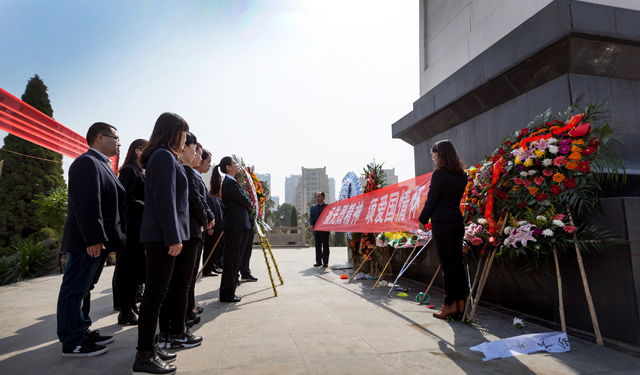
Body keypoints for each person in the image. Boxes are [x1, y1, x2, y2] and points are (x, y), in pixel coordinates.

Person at [56, 122, 126, 357]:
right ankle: (72, 341)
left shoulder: (101, 164)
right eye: (115, 137)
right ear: (99, 137)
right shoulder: (86, 163)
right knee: (74, 290)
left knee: (84, 288)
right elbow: (86, 204)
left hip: (98, 240)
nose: (119, 142)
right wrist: (94, 238)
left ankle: (82, 330)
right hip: (87, 241)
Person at [134, 113, 193, 374]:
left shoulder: (164, 156)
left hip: (161, 235)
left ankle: (153, 349)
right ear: (173, 132)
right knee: (154, 296)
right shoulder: (163, 156)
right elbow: (165, 200)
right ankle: (144, 356)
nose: (185, 139)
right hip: (161, 237)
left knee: (158, 294)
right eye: (183, 133)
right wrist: (173, 237)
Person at [418, 140, 468, 320]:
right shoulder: (462, 175)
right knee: (458, 264)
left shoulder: (439, 175)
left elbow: (432, 199)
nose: (433, 158)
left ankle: (448, 305)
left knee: (447, 265)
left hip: (442, 223)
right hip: (456, 222)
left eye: (434, 155)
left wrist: (423, 219)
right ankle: (461, 303)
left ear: (441, 154)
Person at [115, 139, 148, 326]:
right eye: (145, 150)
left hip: (138, 229)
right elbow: (126, 198)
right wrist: (148, 206)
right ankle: (125, 310)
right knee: (126, 270)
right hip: (129, 229)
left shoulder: (139, 171)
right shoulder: (128, 170)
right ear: (137, 151)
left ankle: (132, 306)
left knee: (134, 271)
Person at [211, 157, 252, 303]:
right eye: (234, 163)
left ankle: (230, 291)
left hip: (238, 226)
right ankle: (227, 294)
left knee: (235, 260)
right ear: (228, 167)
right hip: (235, 226)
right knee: (231, 261)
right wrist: (251, 202)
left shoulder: (231, 182)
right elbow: (245, 201)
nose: (237, 165)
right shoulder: (230, 183)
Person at [309, 191, 330, 267]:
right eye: (316, 197)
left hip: (325, 229)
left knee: (325, 246)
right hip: (316, 230)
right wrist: (311, 225)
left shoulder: (327, 207)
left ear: (323, 197)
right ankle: (318, 261)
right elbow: (311, 217)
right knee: (317, 245)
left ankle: (325, 262)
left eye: (319, 196)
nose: (317, 198)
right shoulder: (313, 207)